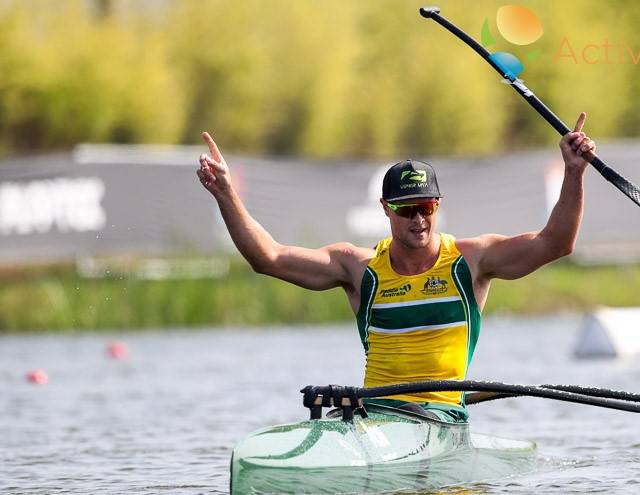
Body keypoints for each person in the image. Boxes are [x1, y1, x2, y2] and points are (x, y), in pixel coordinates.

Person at [197, 113, 596, 422]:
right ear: (386, 209)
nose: (418, 220)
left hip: (441, 420)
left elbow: (555, 243)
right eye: (407, 210)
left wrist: (574, 173)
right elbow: (269, 257)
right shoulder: (358, 268)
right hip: (374, 417)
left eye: (426, 208)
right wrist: (226, 194)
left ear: (437, 206)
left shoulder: (471, 261)